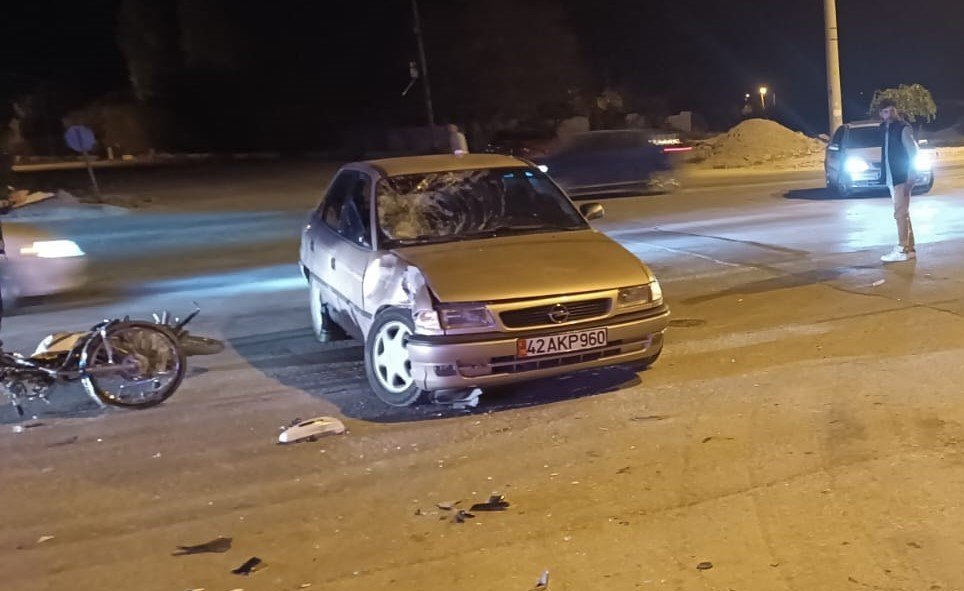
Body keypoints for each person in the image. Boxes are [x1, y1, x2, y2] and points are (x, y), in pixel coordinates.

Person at [878, 99, 919, 263]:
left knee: (900, 214)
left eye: (892, 110)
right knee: (903, 214)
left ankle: (902, 249)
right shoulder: (885, 129)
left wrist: (911, 175)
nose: (890, 114)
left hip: (901, 177)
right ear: (881, 114)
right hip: (891, 178)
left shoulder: (902, 128)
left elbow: (913, 153)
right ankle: (909, 249)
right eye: (886, 111)